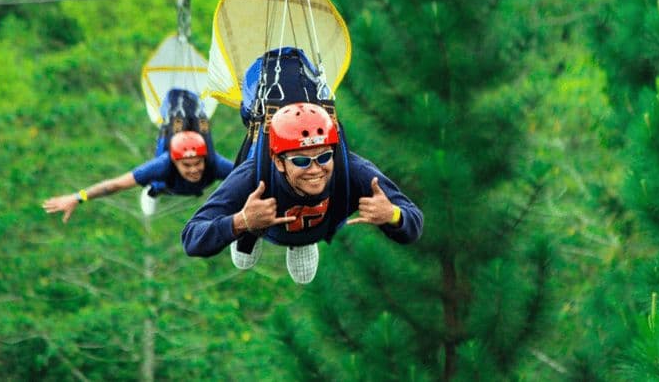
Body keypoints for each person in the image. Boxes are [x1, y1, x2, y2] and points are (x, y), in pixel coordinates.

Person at [181, 102, 423, 284]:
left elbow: (414, 221)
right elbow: (192, 238)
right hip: (262, 224)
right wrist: (241, 221)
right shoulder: (252, 177)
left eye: (324, 157)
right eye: (301, 161)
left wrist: (393, 215)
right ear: (278, 162)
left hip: (322, 223)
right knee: (243, 260)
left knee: (304, 275)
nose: (315, 170)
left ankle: (303, 243)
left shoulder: (354, 171)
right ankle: (250, 235)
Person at [43, 131, 234, 223]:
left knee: (238, 187)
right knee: (157, 185)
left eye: (197, 163)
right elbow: (116, 185)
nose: (193, 169)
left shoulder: (214, 163)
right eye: (186, 165)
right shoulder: (162, 165)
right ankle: (152, 192)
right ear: (175, 161)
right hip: (166, 185)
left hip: (203, 185)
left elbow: (249, 177)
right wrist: (78, 197)